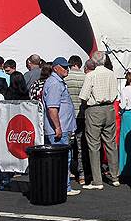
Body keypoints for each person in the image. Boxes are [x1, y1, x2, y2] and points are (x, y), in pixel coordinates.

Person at [79, 57, 120, 189]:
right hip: (109, 108)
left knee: (93, 145)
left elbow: (84, 96)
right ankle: (115, 177)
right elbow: (116, 94)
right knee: (111, 143)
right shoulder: (111, 74)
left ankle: (97, 180)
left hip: (95, 109)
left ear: (94, 62)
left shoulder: (91, 75)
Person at [42, 57, 80, 196]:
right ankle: (63, 187)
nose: (67, 69)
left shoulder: (57, 82)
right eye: (64, 67)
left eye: (67, 66)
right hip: (59, 129)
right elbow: (52, 108)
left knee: (62, 158)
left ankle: (61, 186)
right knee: (62, 159)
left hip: (62, 127)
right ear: (55, 68)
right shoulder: (55, 84)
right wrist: (57, 127)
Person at [64, 55, 87, 185]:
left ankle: (67, 172)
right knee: (80, 146)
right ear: (79, 64)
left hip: (69, 116)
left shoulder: (66, 77)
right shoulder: (85, 77)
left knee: (67, 145)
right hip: (82, 115)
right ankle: (82, 174)